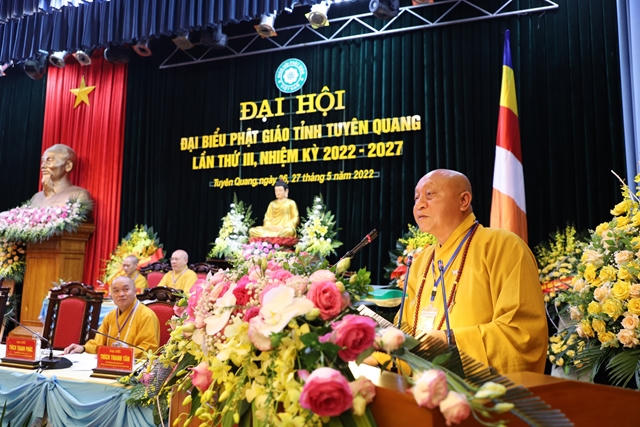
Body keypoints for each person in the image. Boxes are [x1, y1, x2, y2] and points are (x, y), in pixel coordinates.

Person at [399, 169, 547, 373]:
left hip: (477, 387)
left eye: (430, 195)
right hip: (419, 385)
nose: (420, 205)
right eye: (416, 198)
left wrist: (450, 341)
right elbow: (404, 330)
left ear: (464, 201)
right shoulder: (420, 262)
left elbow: (522, 334)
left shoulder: (503, 247)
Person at [63, 276, 159, 358]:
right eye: (116, 291)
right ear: (111, 295)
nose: (121, 294)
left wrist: (125, 352)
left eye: (126, 289)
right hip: (110, 363)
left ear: (135, 291)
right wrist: (83, 348)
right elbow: (98, 343)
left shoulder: (147, 315)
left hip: (135, 366)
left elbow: (149, 349)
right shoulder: (110, 316)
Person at [30, 144, 93, 209]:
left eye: (49, 160)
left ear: (68, 166)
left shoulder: (78, 195)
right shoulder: (36, 197)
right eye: (43, 161)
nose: (43, 166)